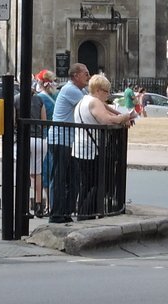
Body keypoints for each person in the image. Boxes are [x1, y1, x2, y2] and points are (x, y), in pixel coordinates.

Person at [71, 73, 134, 219]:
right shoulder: (94, 102)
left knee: (86, 184)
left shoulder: (84, 100)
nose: (108, 95)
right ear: (98, 90)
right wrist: (124, 117)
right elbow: (106, 120)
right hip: (91, 150)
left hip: (81, 148)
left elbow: (108, 113)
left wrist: (119, 116)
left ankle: (84, 213)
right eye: (106, 91)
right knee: (97, 183)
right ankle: (86, 213)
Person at [47, 62, 91, 223]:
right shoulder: (71, 90)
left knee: (73, 178)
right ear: (76, 76)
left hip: (70, 140)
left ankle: (66, 211)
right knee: (59, 177)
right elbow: (91, 107)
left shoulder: (81, 90)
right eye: (85, 73)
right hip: (60, 139)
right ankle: (56, 213)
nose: (88, 76)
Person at [30, 69, 55, 217]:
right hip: (56, 134)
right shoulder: (55, 95)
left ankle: (47, 204)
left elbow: (42, 119)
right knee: (52, 171)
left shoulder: (40, 98)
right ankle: (52, 204)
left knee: (43, 172)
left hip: (44, 135)